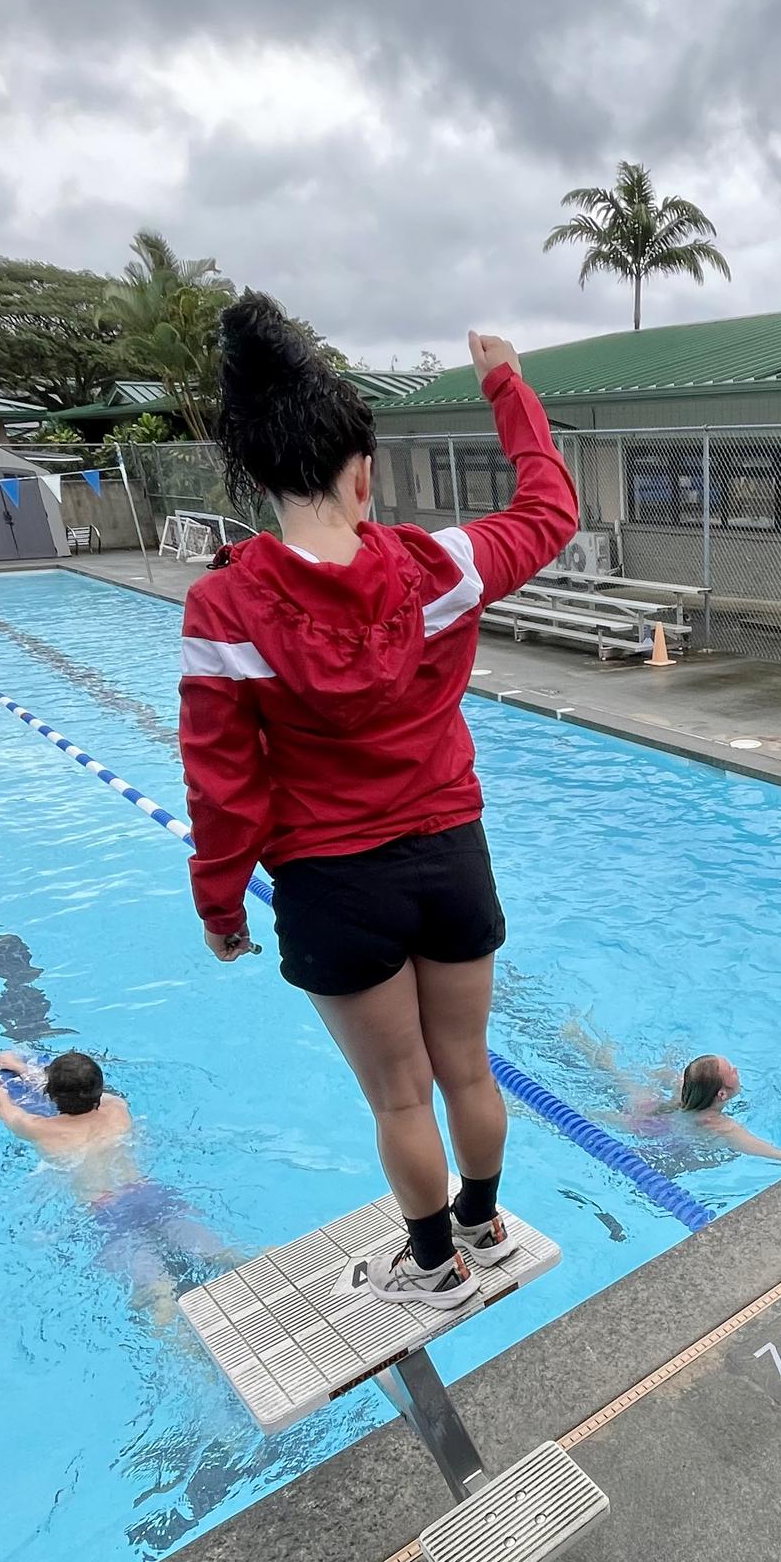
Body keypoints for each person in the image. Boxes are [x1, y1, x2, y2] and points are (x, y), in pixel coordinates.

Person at [180, 298, 577, 1308]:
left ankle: (435, 1265)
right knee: (469, 1071)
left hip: (330, 882)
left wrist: (221, 905)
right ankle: (484, 1219)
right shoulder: (436, 566)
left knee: (400, 1095)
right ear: (362, 473)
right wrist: (506, 382)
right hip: (451, 856)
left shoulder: (225, 605)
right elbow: (550, 509)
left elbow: (222, 784)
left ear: (263, 478)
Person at [0, 1050, 228, 1327]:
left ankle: (174, 1334)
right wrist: (24, 1068)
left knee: (158, 1294)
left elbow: (0, 1103)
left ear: (51, 1095)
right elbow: (81, 1094)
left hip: (107, 1209)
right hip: (146, 1193)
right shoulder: (117, 1109)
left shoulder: (41, 1128)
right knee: (220, 1254)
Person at [569, 1028, 781, 1160]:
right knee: (612, 1086)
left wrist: (667, 1064)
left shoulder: (686, 1086)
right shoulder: (721, 1127)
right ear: (722, 1094)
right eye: (732, 1070)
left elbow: (669, 1074)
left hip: (649, 1113)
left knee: (616, 1077)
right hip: (664, 1139)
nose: (737, 1069)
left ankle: (577, 1038)